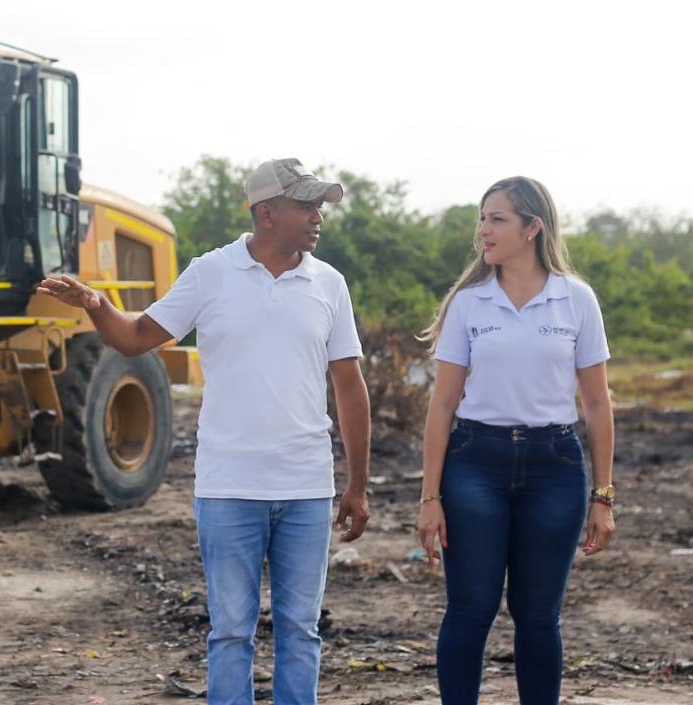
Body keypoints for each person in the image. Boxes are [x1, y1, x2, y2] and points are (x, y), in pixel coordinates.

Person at [37, 158, 371, 705]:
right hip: (229, 487)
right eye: (305, 205)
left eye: (319, 206)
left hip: (306, 486)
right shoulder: (210, 273)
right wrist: (96, 305)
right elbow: (137, 335)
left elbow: (350, 386)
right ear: (266, 213)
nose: (318, 217)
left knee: (300, 630)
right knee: (231, 630)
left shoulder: (329, 284)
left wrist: (357, 483)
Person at [415, 176, 615, 705]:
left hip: (554, 468)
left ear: (533, 228)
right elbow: (441, 405)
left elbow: (596, 405)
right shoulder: (469, 303)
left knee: (537, 614)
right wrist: (429, 497)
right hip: (473, 465)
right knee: (471, 607)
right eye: (481, 218)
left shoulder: (576, 300)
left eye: (496, 218)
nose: (483, 229)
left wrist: (604, 495)